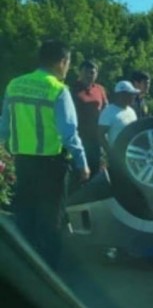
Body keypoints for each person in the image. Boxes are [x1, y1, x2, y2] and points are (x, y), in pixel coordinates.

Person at [0, 40, 89, 270]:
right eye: (68, 62)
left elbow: (4, 128)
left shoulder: (15, 85)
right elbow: (69, 133)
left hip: (23, 164)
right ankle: (48, 275)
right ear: (62, 61)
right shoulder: (58, 90)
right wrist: (82, 164)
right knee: (51, 223)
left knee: (25, 218)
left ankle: (23, 270)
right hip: (51, 167)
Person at [71, 59, 108, 178]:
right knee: (77, 172)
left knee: (94, 172)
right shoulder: (72, 89)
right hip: (78, 137)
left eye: (93, 72)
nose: (89, 75)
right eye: (86, 72)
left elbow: (106, 109)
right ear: (80, 72)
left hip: (95, 138)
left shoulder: (99, 89)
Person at [98, 80, 140, 149]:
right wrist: (110, 152)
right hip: (117, 152)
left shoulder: (132, 111)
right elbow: (101, 135)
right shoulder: (108, 112)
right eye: (131, 94)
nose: (134, 97)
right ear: (122, 95)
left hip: (131, 152)